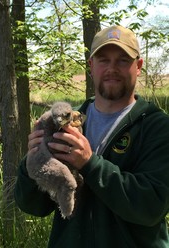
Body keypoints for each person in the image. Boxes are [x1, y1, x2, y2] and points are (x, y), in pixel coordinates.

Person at [14, 25, 169, 247]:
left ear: (139, 66)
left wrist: (89, 164)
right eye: (103, 59)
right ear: (91, 66)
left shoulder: (157, 127)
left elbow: (151, 206)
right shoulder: (62, 123)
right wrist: (33, 163)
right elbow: (33, 206)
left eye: (123, 60)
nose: (112, 68)